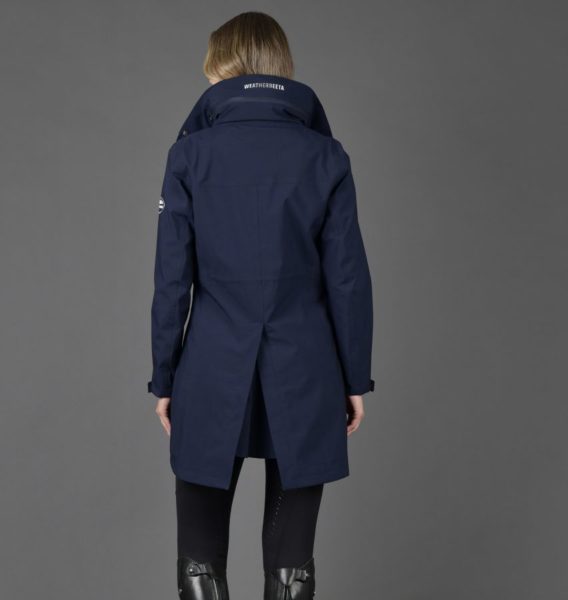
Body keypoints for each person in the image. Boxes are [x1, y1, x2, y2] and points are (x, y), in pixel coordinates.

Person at [147, 11, 375, 600]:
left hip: (209, 366)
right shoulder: (326, 156)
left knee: (199, 562)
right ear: (281, 66)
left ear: (219, 67)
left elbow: (172, 280)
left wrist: (165, 377)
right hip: (308, 366)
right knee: (293, 563)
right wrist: (354, 378)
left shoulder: (190, 155)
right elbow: (348, 279)